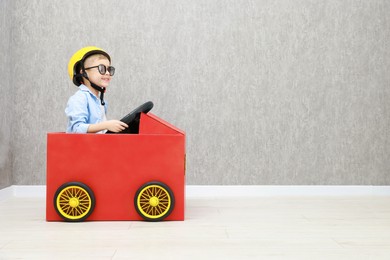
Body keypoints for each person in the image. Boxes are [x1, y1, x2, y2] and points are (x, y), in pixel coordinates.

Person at [65, 46, 128, 133]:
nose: (107, 73)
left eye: (109, 69)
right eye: (101, 68)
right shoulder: (79, 99)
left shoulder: (101, 102)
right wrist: (106, 125)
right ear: (83, 72)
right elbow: (76, 129)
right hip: (81, 146)